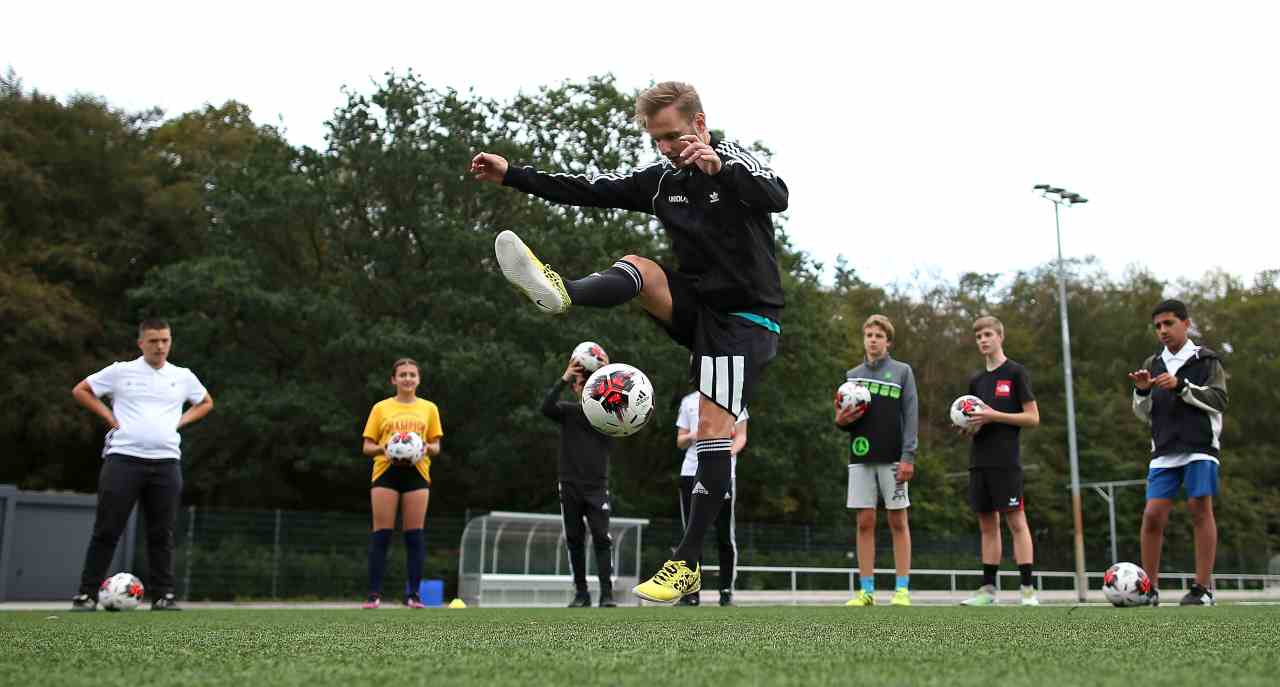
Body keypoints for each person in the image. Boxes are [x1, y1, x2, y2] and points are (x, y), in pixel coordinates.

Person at [471, 81, 787, 603]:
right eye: (656, 139)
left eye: (673, 135)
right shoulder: (661, 182)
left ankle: (686, 563)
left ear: (701, 124)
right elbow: (588, 188)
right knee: (640, 268)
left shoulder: (730, 159)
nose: (665, 147)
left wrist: (720, 168)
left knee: (712, 426)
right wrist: (512, 176)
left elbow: (778, 195)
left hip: (747, 318)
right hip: (699, 307)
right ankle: (562, 291)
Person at [69, 318, 214, 611]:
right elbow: (81, 390)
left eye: (165, 340)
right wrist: (109, 417)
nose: (160, 346)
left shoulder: (182, 376)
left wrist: (180, 422)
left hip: (166, 463)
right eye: (153, 341)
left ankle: (164, 596)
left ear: (170, 341)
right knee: (108, 529)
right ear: (141, 343)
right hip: (123, 460)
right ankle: (86, 595)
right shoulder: (121, 372)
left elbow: (206, 402)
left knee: (162, 533)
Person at [1129, 299, 1227, 607]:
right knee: (1153, 515)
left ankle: (1202, 588)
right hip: (1164, 450)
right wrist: (1143, 391)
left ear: (1186, 323)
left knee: (1200, 509)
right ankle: (1149, 588)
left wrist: (1181, 386)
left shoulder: (1206, 360)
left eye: (1169, 323)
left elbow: (1219, 399)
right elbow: (1144, 414)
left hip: (1200, 447)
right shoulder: (1153, 363)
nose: (1163, 331)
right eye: (1158, 326)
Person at [958, 316, 1041, 607]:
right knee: (986, 525)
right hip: (979, 460)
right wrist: (968, 426)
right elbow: (976, 420)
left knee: (1017, 522)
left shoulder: (1016, 372)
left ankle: (1028, 591)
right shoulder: (977, 380)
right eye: (978, 335)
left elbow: (1032, 418)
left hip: (1006, 461)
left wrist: (995, 415)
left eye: (988, 334)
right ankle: (988, 590)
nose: (983, 339)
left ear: (1000, 336)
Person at [835, 315, 918, 607]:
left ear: (888, 341)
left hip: (894, 458)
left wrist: (909, 455)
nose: (872, 339)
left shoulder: (902, 372)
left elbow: (911, 416)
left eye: (878, 335)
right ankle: (866, 591)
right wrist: (840, 421)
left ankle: (902, 590)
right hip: (860, 457)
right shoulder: (852, 376)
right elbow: (845, 420)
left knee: (898, 520)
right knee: (865, 522)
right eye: (868, 334)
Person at [360, 358, 443, 609]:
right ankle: (373, 595)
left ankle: (413, 595)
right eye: (403, 374)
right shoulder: (381, 408)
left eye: (412, 375)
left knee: (414, 535)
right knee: (381, 534)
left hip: (417, 473)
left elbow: (436, 446)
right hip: (386, 472)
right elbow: (367, 446)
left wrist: (426, 448)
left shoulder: (429, 408)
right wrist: (386, 448)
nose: (408, 378)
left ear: (418, 379)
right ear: (393, 380)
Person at [542, 353, 618, 608]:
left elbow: (624, 409)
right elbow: (546, 407)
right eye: (579, 383)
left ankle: (607, 594)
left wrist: (607, 376)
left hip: (597, 486)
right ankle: (581, 593)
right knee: (574, 538)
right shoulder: (567, 412)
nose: (583, 387)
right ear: (574, 388)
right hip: (569, 483)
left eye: (589, 384)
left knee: (601, 537)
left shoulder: (606, 416)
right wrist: (564, 378)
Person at [675, 389, 748, 607]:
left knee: (725, 535)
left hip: (722, 474)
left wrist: (724, 456)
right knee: (691, 534)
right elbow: (680, 441)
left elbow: (742, 436)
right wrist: (692, 436)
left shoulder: (735, 399)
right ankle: (691, 593)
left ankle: (726, 592)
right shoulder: (688, 401)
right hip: (691, 473)